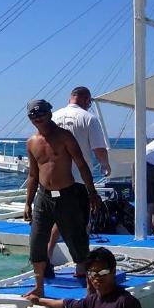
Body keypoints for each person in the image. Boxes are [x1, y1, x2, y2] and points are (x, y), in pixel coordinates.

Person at [24, 99, 102, 296]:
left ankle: (90, 286)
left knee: (77, 240)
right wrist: (27, 203)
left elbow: (82, 165)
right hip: (43, 197)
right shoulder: (31, 142)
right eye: (33, 116)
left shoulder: (65, 137)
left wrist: (91, 192)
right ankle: (39, 287)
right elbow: (33, 174)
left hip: (67, 195)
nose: (38, 118)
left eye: (41, 114)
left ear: (49, 113)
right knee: (37, 241)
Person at [47, 86, 111, 272]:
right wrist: (106, 165)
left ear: (70, 98)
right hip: (77, 181)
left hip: (55, 180)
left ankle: (47, 257)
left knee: (58, 220)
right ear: (87, 100)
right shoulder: (89, 118)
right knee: (80, 222)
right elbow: (99, 149)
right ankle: (81, 267)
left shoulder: (53, 117)